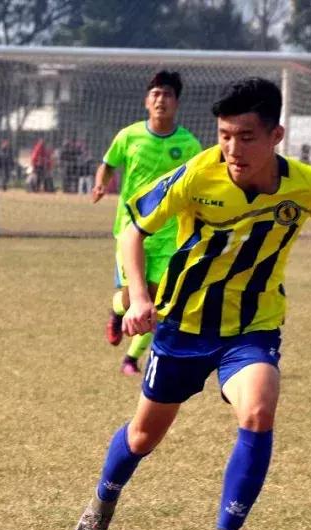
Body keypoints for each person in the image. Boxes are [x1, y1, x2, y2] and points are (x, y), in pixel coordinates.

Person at [72, 77, 311, 530]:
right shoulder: (198, 175)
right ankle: (102, 502)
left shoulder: (307, 185)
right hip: (184, 326)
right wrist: (137, 295)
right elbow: (134, 229)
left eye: (246, 137)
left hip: (252, 326)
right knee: (143, 436)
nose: (232, 149)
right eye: (224, 135)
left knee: (260, 410)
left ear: (276, 136)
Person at [93, 70, 202, 375]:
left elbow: (197, 183)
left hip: (169, 234)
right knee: (131, 300)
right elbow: (108, 164)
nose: (160, 100)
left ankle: (133, 358)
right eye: (155, 94)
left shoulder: (190, 144)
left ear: (176, 103)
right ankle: (117, 313)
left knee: (157, 301)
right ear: (146, 101)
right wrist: (102, 184)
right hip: (131, 231)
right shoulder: (129, 136)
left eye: (167, 94)